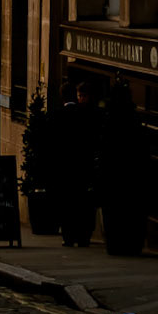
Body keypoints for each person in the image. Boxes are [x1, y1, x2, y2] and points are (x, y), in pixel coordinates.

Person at [55, 79, 102, 247]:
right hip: (81, 167)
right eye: (79, 95)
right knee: (80, 205)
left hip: (76, 168)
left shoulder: (81, 114)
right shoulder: (85, 115)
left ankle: (73, 236)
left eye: (83, 96)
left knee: (73, 204)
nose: (81, 98)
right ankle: (80, 236)